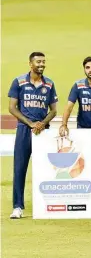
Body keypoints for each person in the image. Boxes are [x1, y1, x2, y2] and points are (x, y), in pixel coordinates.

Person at [8, 52, 58, 219]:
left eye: (43, 61)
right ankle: (17, 207)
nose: (41, 64)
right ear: (30, 64)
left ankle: (46, 205)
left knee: (46, 168)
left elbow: (54, 110)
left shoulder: (49, 84)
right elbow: (12, 108)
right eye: (38, 62)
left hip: (43, 131)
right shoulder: (19, 82)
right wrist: (30, 123)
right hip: (24, 130)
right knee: (20, 168)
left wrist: (42, 123)